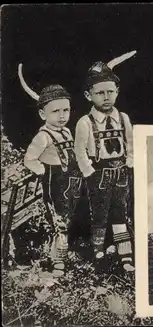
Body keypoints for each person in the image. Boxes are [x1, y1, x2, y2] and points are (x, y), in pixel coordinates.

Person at [74, 51, 136, 273]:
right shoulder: (85, 122)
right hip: (98, 174)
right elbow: (79, 149)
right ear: (88, 95)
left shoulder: (123, 118)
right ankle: (98, 253)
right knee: (99, 214)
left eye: (110, 91)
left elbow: (131, 143)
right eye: (99, 93)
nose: (106, 96)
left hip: (120, 172)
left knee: (121, 212)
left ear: (117, 92)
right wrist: (88, 171)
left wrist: (130, 162)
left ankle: (125, 255)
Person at [20, 64, 82, 277]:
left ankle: (67, 255)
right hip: (54, 181)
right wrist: (41, 170)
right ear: (42, 113)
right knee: (59, 223)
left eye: (66, 110)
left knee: (71, 218)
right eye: (55, 111)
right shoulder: (43, 136)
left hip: (71, 181)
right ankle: (58, 266)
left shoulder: (66, 132)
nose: (62, 115)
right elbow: (29, 158)